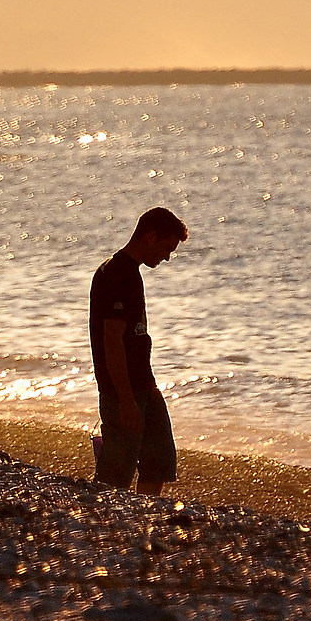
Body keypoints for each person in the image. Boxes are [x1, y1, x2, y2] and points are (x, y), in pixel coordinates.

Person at [90, 206, 188, 495]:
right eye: (166, 248)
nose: (167, 257)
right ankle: (104, 523)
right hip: (123, 390)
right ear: (149, 237)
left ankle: (143, 516)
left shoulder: (131, 273)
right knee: (116, 472)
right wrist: (126, 399)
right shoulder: (117, 274)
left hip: (144, 383)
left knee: (159, 459)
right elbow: (111, 342)